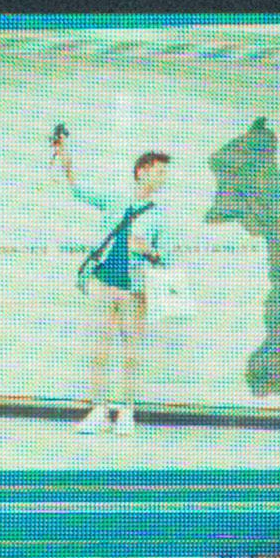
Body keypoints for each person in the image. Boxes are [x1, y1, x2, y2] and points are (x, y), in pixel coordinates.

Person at [48, 125, 170, 436]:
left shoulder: (160, 215)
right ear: (142, 171)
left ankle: (126, 411)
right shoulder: (114, 199)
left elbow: (166, 258)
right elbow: (78, 189)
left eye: (164, 174)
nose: (163, 178)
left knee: (131, 352)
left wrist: (149, 250)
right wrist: (66, 160)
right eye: (159, 172)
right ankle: (99, 409)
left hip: (134, 289)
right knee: (100, 350)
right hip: (103, 283)